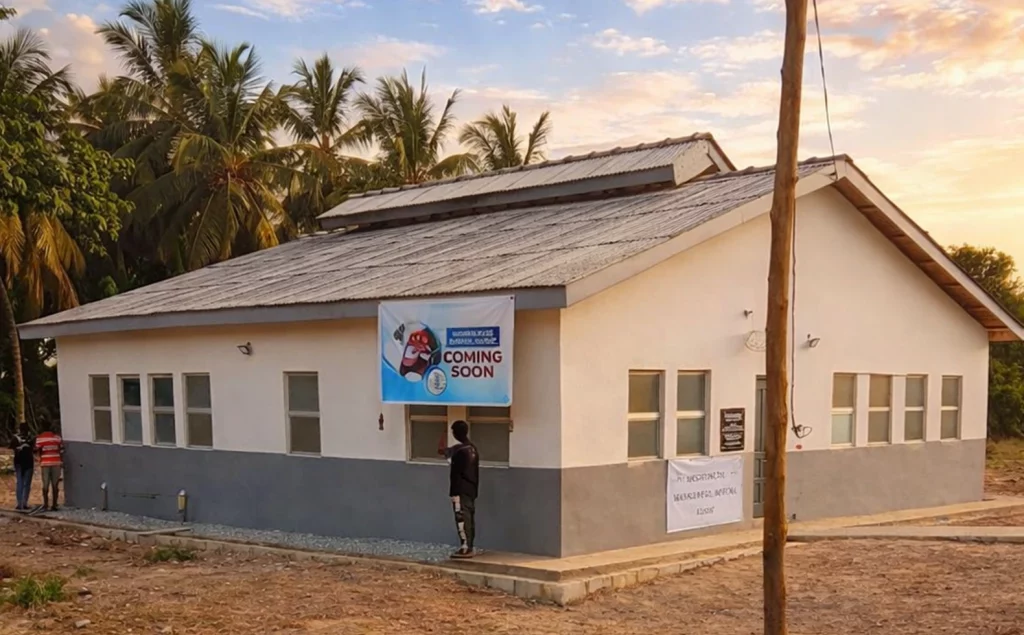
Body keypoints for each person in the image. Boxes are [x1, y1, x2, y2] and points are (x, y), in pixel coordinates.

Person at [440, 420, 479, 558]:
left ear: (455, 432)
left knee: (461, 518)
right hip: (471, 489)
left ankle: (465, 547)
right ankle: (470, 545)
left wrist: (443, 434)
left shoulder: (458, 451)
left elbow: (441, 450)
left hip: (460, 490)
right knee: (469, 518)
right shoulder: (472, 448)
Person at [34, 420, 64, 512]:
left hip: (45, 464)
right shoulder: (57, 438)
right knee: (55, 485)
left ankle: (46, 504)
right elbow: (62, 450)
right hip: (56, 463)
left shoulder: (39, 438)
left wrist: (39, 459)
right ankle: (54, 504)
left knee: (45, 485)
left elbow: (35, 450)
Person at [10, 424, 35, 510]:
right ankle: (24, 503)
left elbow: (11, 447)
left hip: (18, 462)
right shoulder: (31, 438)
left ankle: (19, 503)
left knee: (19, 483)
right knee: (26, 484)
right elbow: (34, 449)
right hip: (28, 462)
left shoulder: (15, 438)